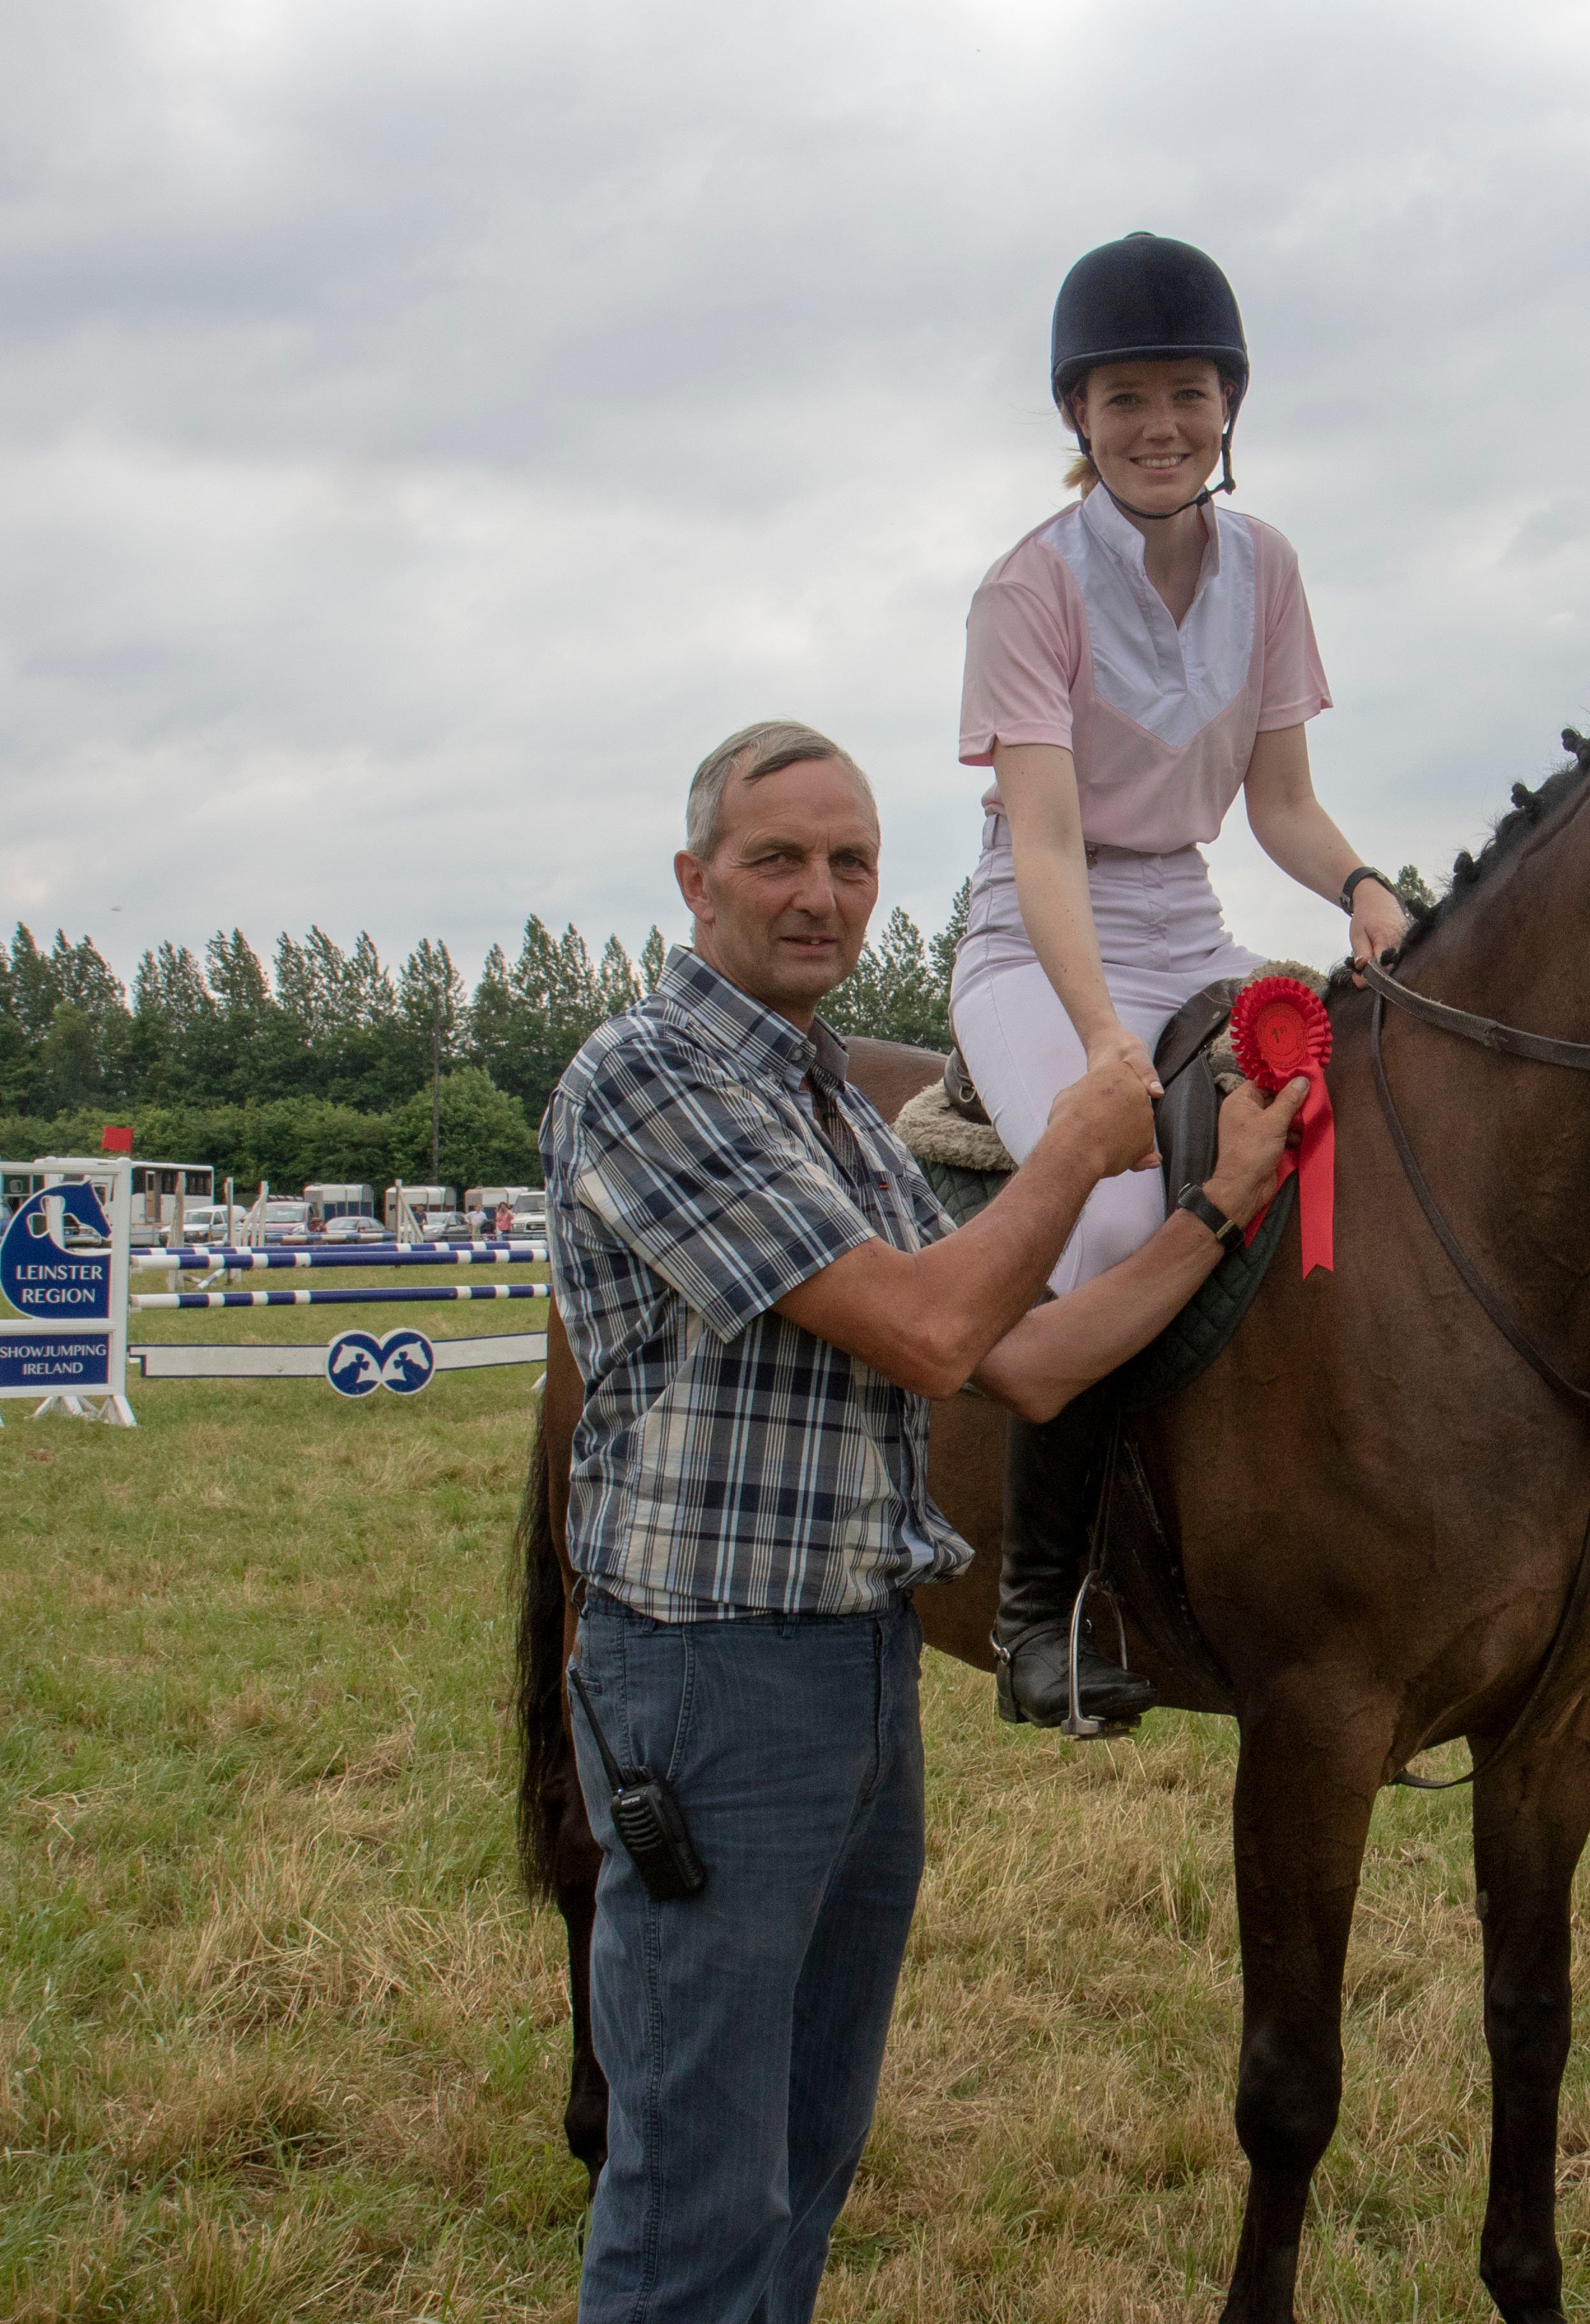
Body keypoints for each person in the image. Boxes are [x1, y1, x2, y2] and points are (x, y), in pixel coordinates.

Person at [545, 721, 1308, 2324]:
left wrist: (1217, 1204)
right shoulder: (646, 1079)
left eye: (849, 863)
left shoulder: (828, 1099)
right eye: (777, 860)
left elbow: (1029, 1363)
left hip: (857, 1678)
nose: (817, 895)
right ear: (696, 882)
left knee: (807, 2149)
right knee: (693, 2186)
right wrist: (1080, 1149)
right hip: (706, 1684)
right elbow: (932, 1331)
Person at [950, 230, 1408, 1731]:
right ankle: (1045, 1609)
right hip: (1037, 933)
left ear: (1230, 405)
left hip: (1194, 918)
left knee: (1334, 1142)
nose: (1161, 425)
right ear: (1077, 417)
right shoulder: (1028, 588)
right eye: (1127, 397)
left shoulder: (1266, 566)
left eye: (1189, 394)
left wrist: (1358, 887)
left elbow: (1277, 801)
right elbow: (1048, 842)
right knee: (1119, 1211)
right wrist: (1099, 1045)